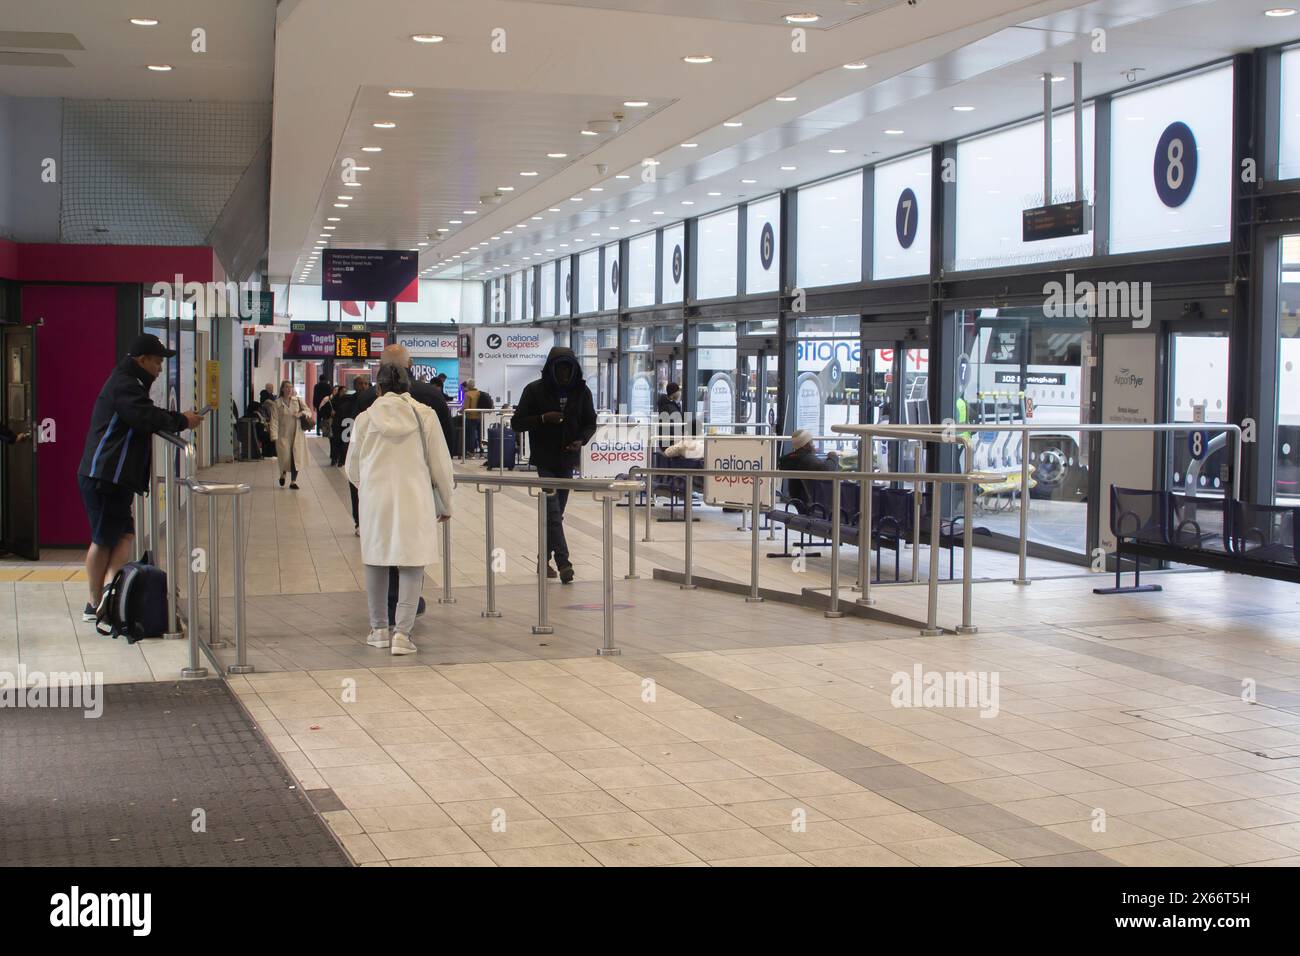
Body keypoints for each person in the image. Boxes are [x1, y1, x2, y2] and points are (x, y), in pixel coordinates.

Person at [77, 333, 202, 622]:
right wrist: (182, 421)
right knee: (102, 540)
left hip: (115, 478)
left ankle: (110, 597)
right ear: (141, 360)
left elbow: (145, 414)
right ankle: (94, 603)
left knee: (123, 536)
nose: (160, 369)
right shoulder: (125, 384)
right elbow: (145, 417)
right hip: (104, 476)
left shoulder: (130, 383)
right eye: (157, 362)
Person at [345, 362, 454, 655]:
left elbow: (351, 466)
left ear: (378, 389)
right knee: (411, 563)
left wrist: (367, 488)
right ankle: (403, 636)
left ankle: (379, 629)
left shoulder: (364, 419)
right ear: (408, 387)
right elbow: (441, 465)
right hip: (414, 498)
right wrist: (447, 500)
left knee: (376, 560)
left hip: (375, 499)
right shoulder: (425, 416)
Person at [510, 347, 597, 583]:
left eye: (568, 370)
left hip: (567, 459)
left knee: (556, 514)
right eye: (559, 369)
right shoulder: (534, 390)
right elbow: (517, 423)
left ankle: (543, 559)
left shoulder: (582, 392)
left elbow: (590, 422)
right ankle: (563, 561)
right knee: (553, 510)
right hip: (545, 460)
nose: (563, 375)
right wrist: (542, 419)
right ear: (551, 369)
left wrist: (581, 440)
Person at [336, 375, 373, 531]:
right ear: (355, 385)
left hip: (371, 452)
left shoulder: (374, 404)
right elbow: (341, 428)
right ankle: (358, 520)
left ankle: (369, 520)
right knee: (355, 486)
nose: (363, 386)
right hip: (353, 450)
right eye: (360, 384)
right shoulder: (347, 404)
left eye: (366, 383)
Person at [267, 381, 312, 489]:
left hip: (297, 434)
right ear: (282, 389)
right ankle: (282, 474)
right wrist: (274, 435)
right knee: (284, 457)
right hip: (283, 435)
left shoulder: (298, 401)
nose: (289, 389)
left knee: (296, 458)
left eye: (291, 387)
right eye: (287, 387)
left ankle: (293, 481)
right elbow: (274, 420)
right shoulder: (277, 403)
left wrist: (301, 414)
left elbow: (308, 411)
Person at [777, 429, 840, 506]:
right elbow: (827, 470)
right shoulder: (806, 460)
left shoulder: (793, 459)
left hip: (800, 502)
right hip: (813, 505)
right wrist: (833, 457)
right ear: (806, 445)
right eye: (811, 442)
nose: (814, 445)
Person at [320, 385, 345, 464]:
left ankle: (337, 457)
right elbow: (322, 410)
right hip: (333, 424)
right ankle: (334, 457)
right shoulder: (330, 400)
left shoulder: (346, 401)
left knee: (339, 441)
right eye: (336, 390)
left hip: (342, 424)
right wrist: (330, 413)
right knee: (333, 440)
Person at [657, 382, 684, 449]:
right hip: (670, 443)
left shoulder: (669, 405)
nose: (680, 393)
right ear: (674, 393)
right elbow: (674, 427)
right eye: (678, 391)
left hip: (668, 441)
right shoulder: (670, 408)